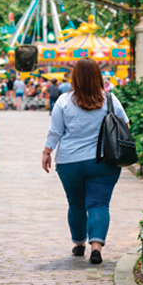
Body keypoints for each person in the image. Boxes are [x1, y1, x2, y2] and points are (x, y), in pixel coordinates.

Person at [40, 58, 129, 265]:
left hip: (69, 162)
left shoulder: (63, 101)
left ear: (75, 78)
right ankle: (96, 247)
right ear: (98, 76)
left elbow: (55, 132)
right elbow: (125, 124)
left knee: (76, 203)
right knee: (99, 203)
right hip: (104, 162)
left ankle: (79, 244)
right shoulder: (110, 100)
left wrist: (46, 152)